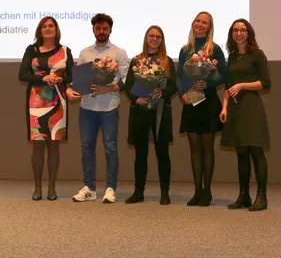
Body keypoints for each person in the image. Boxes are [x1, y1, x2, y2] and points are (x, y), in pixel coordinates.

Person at [67, 13, 129, 203]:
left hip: (109, 107)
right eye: (98, 28)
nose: (101, 31)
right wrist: (70, 90)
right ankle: (90, 188)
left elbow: (126, 81)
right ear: (93, 29)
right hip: (87, 107)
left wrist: (107, 88)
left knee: (110, 148)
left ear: (110, 30)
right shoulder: (85, 53)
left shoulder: (119, 53)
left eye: (105, 28)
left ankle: (110, 188)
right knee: (87, 148)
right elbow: (79, 81)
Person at [19, 16, 74, 201]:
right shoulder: (31, 50)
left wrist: (60, 79)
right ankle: (37, 187)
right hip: (36, 102)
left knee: (54, 145)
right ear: (40, 30)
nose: (48, 28)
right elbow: (23, 74)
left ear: (56, 29)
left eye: (51, 26)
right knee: (38, 145)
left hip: (58, 101)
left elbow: (71, 77)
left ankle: (51, 186)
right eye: (44, 26)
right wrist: (43, 78)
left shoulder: (65, 51)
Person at [220, 18, 271, 211]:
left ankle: (262, 196)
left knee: (255, 151)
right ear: (232, 34)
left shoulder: (257, 54)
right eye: (235, 30)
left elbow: (265, 83)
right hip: (234, 108)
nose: (239, 33)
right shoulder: (233, 57)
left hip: (251, 106)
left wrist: (242, 86)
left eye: (242, 30)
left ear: (248, 33)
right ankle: (244, 196)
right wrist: (224, 107)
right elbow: (227, 86)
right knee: (241, 152)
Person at [176, 11, 226, 206]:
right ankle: (197, 191)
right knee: (194, 148)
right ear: (193, 23)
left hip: (209, 102)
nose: (200, 24)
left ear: (209, 27)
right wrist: (183, 94)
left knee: (207, 148)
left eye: (204, 22)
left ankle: (207, 192)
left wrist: (209, 83)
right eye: (198, 20)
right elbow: (180, 75)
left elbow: (223, 74)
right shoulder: (185, 49)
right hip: (191, 102)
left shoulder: (215, 49)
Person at [124, 25, 177, 205]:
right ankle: (139, 192)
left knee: (162, 152)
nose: (154, 39)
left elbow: (173, 86)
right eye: (151, 36)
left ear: (162, 40)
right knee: (141, 153)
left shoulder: (167, 61)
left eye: (158, 37)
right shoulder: (136, 61)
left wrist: (163, 93)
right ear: (146, 38)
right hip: (140, 111)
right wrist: (135, 99)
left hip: (160, 111)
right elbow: (128, 86)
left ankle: (164, 192)